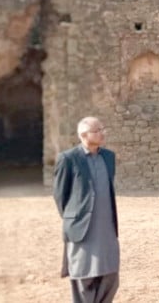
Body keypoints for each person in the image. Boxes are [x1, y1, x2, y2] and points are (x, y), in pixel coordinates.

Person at [53, 117, 119, 303]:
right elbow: (60, 196)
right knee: (84, 279)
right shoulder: (68, 159)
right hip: (81, 230)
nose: (102, 133)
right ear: (83, 135)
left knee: (110, 277)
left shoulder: (108, 157)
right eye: (97, 130)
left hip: (106, 230)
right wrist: (74, 219)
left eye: (102, 129)